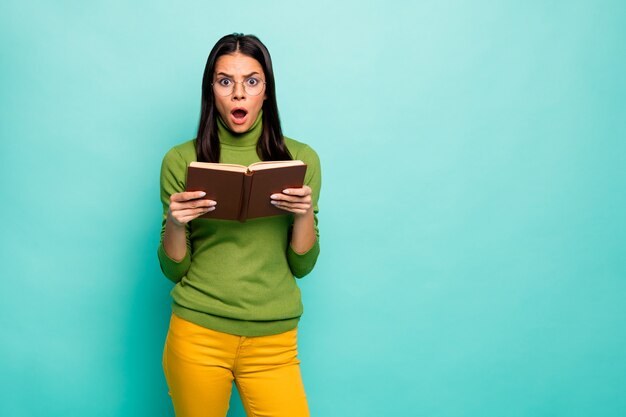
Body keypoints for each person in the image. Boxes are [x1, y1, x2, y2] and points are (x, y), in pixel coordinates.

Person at [158, 33, 321, 417]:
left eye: (252, 81)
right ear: (210, 90)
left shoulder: (300, 159)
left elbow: (303, 265)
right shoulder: (180, 159)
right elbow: (173, 269)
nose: (238, 93)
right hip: (197, 334)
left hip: (274, 340)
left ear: (267, 91)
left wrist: (302, 214)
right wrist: (176, 223)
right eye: (225, 80)